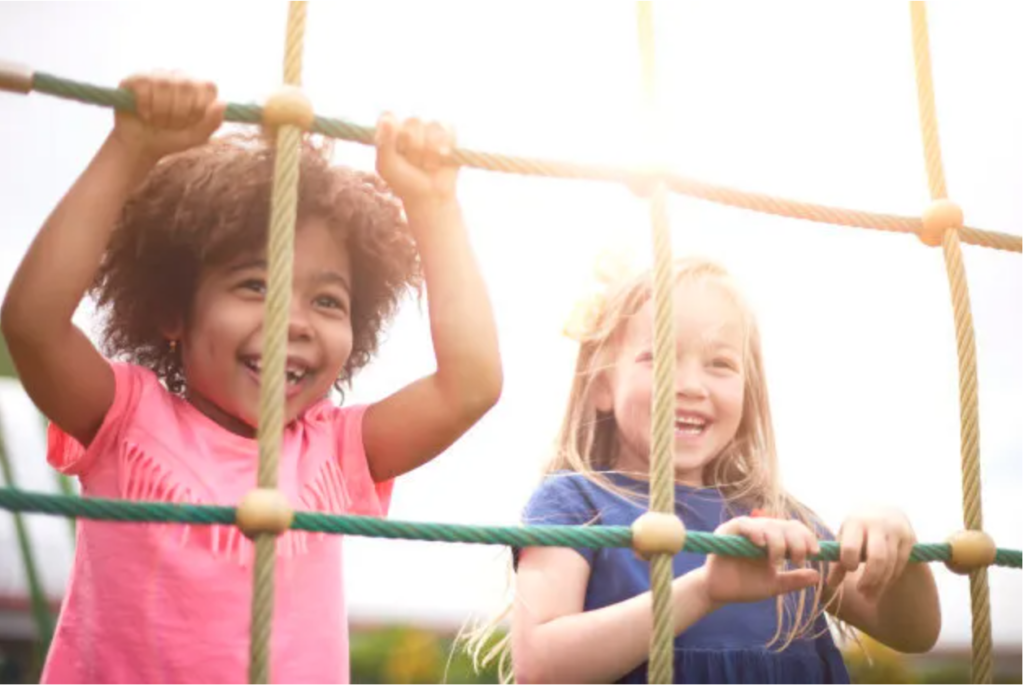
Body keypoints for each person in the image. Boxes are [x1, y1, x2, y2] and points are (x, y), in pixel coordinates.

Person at [0, 71, 502, 683]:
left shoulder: (334, 450)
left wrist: (434, 204)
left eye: (328, 302)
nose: (294, 322)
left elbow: (471, 383)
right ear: (171, 312)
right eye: (255, 286)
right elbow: (31, 325)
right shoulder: (128, 418)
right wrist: (128, 151)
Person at [468, 255, 939, 684]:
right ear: (602, 386)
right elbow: (540, 669)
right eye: (658, 358)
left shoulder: (777, 518)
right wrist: (703, 591)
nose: (690, 385)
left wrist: (895, 540)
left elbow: (913, 632)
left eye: (719, 363)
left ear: (748, 394)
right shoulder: (574, 504)